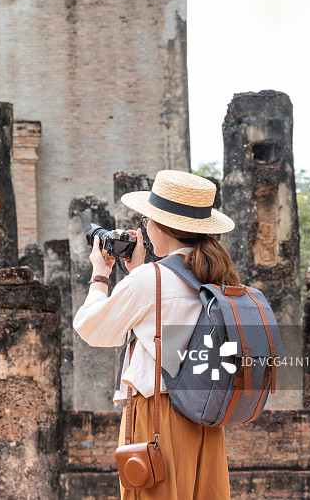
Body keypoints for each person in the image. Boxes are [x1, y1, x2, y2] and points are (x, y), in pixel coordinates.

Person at [73, 170, 237, 499]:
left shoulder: (152, 279)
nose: (145, 226)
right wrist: (137, 272)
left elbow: (92, 328)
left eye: (146, 219)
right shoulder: (216, 276)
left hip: (158, 415)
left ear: (159, 227)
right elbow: (172, 332)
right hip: (204, 416)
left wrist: (100, 275)